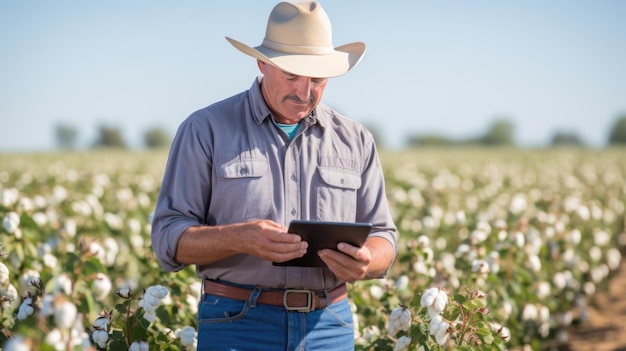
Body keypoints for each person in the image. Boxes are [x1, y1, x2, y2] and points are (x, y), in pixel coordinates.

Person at [151, 1, 398, 350]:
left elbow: (384, 236)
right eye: (292, 75)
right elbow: (167, 239)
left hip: (330, 324)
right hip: (237, 323)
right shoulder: (205, 129)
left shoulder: (355, 139)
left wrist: (368, 260)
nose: (304, 91)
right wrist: (240, 238)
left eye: (317, 79)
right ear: (262, 63)